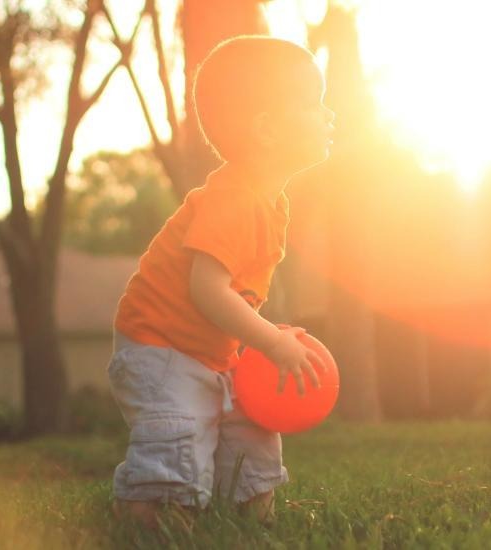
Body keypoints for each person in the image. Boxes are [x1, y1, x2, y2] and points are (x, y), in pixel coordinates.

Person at [108, 35, 335, 528]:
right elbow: (206, 291)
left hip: (209, 347)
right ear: (267, 130)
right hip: (160, 344)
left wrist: (256, 342)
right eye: (314, 103)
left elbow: (231, 297)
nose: (328, 115)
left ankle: (252, 513)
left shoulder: (269, 201)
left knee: (250, 423)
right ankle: (153, 512)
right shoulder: (234, 198)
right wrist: (271, 340)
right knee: (180, 431)